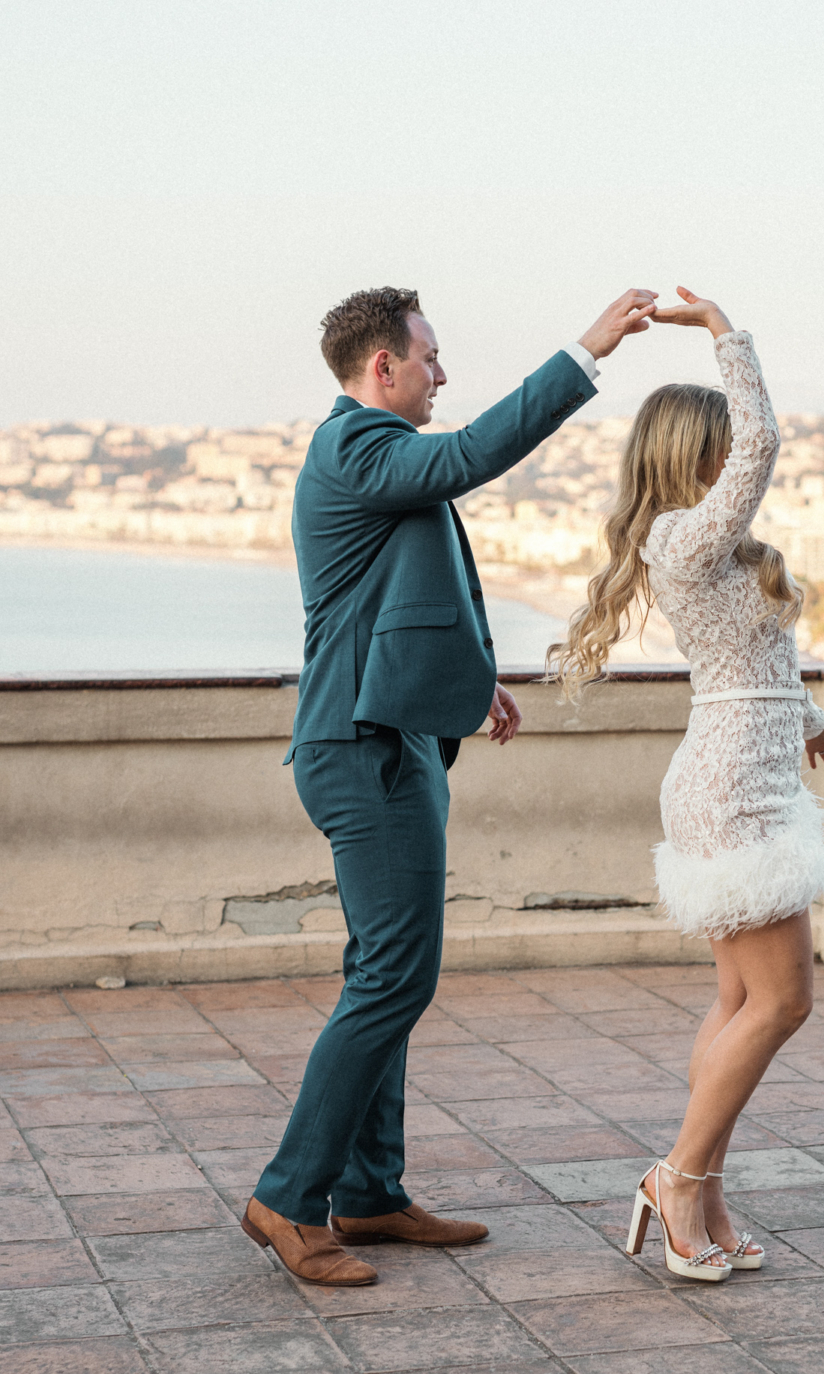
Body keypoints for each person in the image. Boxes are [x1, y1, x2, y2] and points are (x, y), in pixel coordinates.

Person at [244, 283, 659, 1286]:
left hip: (394, 737)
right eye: (428, 357)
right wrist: (585, 352)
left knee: (381, 974)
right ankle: (288, 1198)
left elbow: (402, 595)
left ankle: (372, 1194)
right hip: (361, 749)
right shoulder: (355, 447)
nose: (441, 373)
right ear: (380, 368)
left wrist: (467, 689)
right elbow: (474, 455)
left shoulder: (376, 463)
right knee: (395, 978)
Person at [548, 288, 824, 1282]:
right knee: (782, 1002)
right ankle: (674, 1178)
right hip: (728, 787)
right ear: (701, 452)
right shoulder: (684, 536)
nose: (737, 460)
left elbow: (744, 666)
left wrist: (810, 721)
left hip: (741, 766)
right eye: (723, 445)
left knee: (739, 998)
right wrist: (728, 338)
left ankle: (704, 1190)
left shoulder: (697, 547)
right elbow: (764, 443)